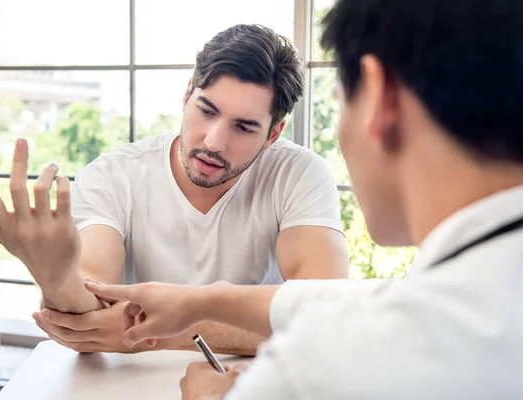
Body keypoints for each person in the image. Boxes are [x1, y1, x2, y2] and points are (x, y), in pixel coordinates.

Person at [82, 0, 523, 398]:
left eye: (341, 97)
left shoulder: (314, 372)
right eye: (208, 110)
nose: (214, 141)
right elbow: (326, 306)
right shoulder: (488, 288)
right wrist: (203, 302)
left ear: (378, 96)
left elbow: (330, 323)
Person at [0, 24, 348, 356]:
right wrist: (55, 275)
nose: (214, 141)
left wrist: (170, 331)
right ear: (187, 95)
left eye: (244, 128)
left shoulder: (298, 174)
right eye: (207, 110)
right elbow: (90, 312)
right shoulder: (115, 175)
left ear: (273, 135)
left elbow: (323, 316)